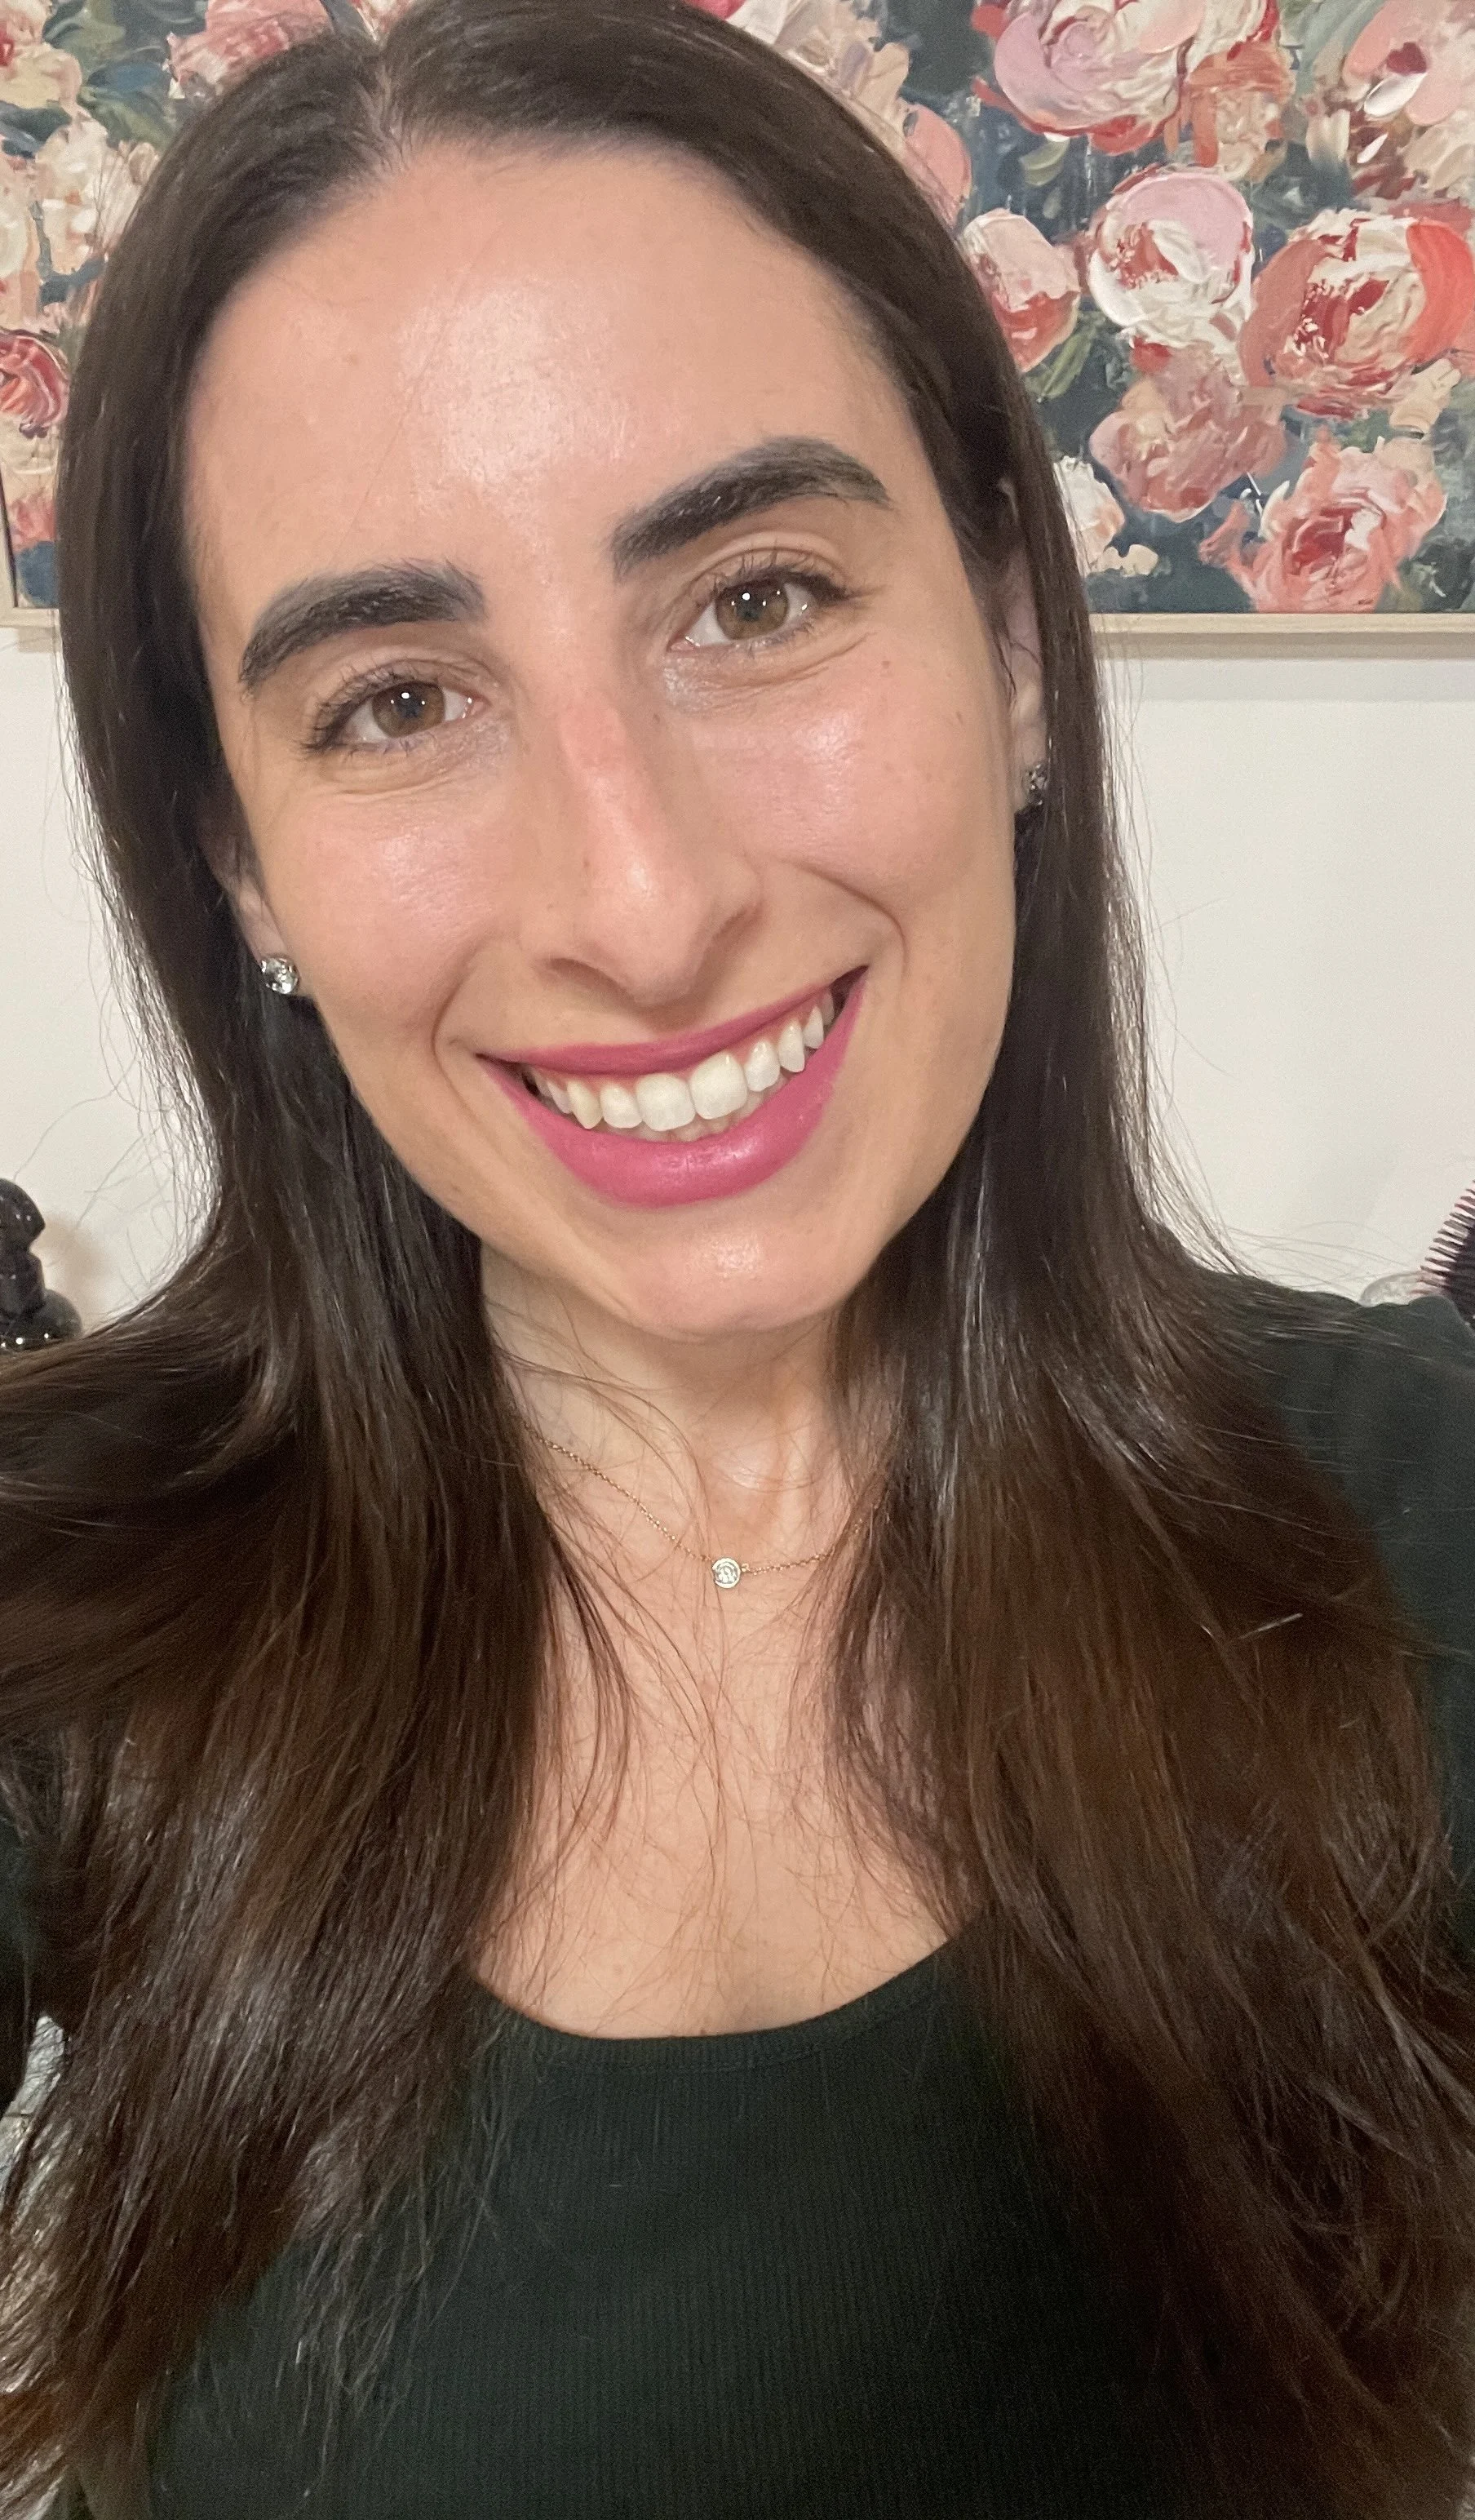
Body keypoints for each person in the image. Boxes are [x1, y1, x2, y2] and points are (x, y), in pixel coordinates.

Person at [1, 0, 1473, 2513]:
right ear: (237, 861)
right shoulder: (68, 1591)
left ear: (1013, 643)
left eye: (759, 594)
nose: (645, 905)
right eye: (391, 702)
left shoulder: (1419, 1514)